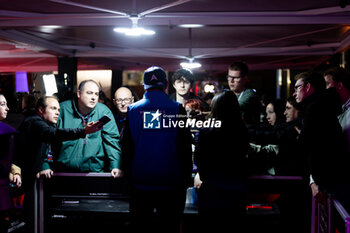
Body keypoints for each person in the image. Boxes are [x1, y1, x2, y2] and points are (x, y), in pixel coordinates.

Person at [14, 96, 103, 233]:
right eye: (53, 108)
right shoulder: (34, 122)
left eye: (59, 109)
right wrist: (83, 131)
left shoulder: (41, 123)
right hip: (19, 180)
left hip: (27, 180)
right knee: (28, 220)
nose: (57, 112)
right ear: (41, 110)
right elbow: (53, 134)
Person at [121, 66, 192, 233]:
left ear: (144, 85)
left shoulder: (132, 110)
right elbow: (185, 148)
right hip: (171, 183)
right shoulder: (177, 109)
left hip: (140, 182)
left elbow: (127, 149)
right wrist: (185, 179)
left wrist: (129, 179)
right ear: (166, 84)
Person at [194, 90, 249, 232]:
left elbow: (199, 159)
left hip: (212, 191)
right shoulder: (241, 131)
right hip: (236, 191)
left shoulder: (207, 132)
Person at [293, 71, 347, 204]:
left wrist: (315, 181)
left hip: (328, 182)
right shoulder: (320, 105)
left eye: (297, 88)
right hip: (329, 179)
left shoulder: (315, 108)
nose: (294, 93)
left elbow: (309, 146)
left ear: (308, 87)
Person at [51, 80, 123, 177]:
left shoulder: (104, 111)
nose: (93, 97)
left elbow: (112, 141)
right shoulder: (62, 109)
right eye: (89, 93)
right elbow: (47, 138)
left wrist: (115, 165)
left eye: (96, 94)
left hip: (94, 172)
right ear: (79, 94)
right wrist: (44, 165)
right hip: (63, 171)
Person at [227, 61, 261, 125]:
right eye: (229, 77)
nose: (231, 81)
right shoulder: (227, 94)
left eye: (236, 78)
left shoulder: (250, 94)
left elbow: (236, 107)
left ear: (245, 78)